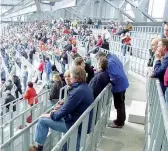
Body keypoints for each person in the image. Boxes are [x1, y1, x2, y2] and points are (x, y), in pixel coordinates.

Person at [29, 66, 94, 151]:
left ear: (75, 77)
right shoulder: (85, 87)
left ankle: (38, 148)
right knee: (66, 147)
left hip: (75, 125)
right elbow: (71, 106)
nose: (69, 78)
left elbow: (64, 111)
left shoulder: (77, 91)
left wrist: (51, 114)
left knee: (42, 121)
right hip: (82, 124)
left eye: (70, 76)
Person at [96, 51, 129, 128]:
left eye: (98, 59)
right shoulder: (113, 57)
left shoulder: (109, 62)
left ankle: (119, 123)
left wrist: (109, 80)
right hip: (122, 84)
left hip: (119, 86)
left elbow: (115, 76)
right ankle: (120, 120)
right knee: (121, 104)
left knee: (119, 104)